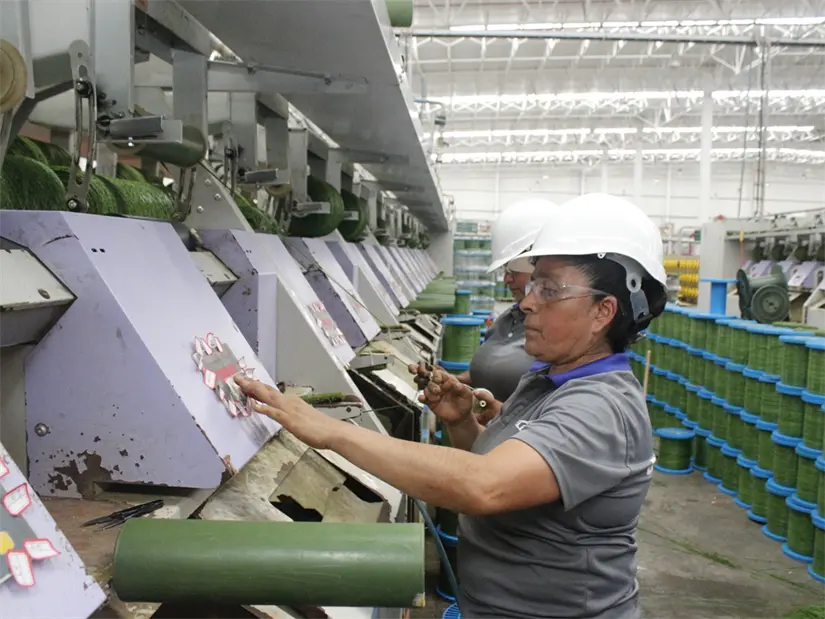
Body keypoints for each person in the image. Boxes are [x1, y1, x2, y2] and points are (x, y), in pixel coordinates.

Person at [235, 193, 667, 619]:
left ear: (603, 311)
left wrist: (331, 431)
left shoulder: (601, 407)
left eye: (550, 289)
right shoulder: (546, 380)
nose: (527, 300)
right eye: (533, 283)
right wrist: (462, 423)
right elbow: (498, 468)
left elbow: (484, 486)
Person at [454, 198, 559, 405]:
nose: (506, 279)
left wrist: (503, 416)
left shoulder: (560, 332)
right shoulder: (508, 318)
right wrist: (453, 382)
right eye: (505, 271)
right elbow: (487, 373)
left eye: (512, 271)